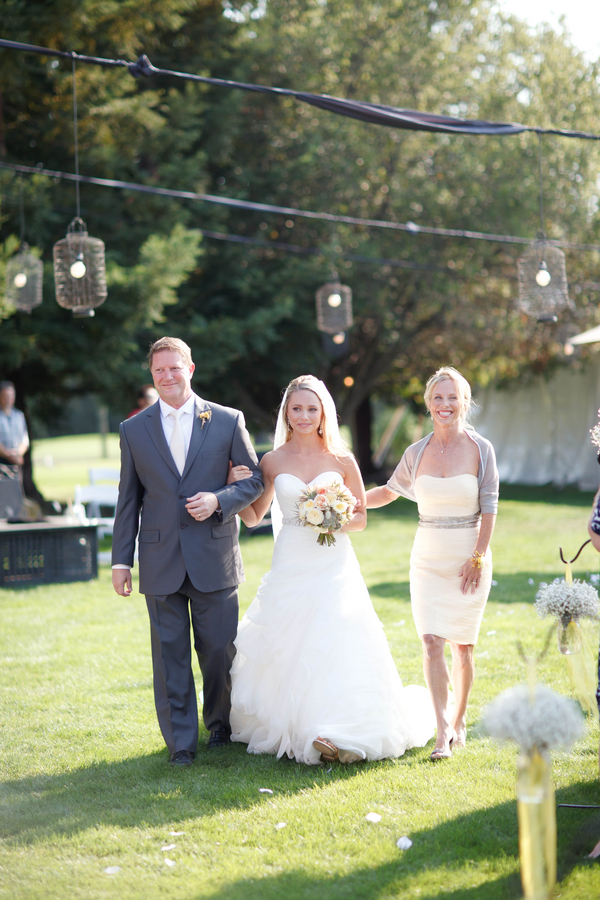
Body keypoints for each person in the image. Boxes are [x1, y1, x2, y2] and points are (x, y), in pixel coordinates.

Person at [226, 374, 435, 766]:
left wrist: (330, 517)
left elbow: (359, 520)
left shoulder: (341, 460)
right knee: (292, 640)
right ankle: (302, 725)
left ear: (323, 413)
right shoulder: (272, 461)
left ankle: (340, 730)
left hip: (333, 561)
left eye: (311, 408)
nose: (304, 415)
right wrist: (233, 485)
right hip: (290, 561)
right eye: (296, 408)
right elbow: (255, 517)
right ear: (286, 414)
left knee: (338, 637)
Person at [111, 337, 264, 766]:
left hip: (214, 555)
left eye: (174, 368)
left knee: (218, 650)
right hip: (159, 560)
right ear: (152, 375)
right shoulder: (133, 429)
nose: (167, 376)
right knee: (169, 655)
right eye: (159, 370)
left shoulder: (227, 420)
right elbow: (128, 500)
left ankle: (219, 725)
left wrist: (219, 500)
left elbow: (252, 481)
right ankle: (181, 743)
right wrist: (121, 560)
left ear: (190, 369)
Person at [365, 367, 498, 760]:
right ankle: (442, 733)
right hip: (426, 558)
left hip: (468, 558)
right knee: (430, 642)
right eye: (438, 398)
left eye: (452, 397)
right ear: (428, 404)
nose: (445, 405)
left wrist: (477, 556)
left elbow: (489, 509)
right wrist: (348, 500)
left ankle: (459, 721)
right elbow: (389, 492)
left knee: (463, 648)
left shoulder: (480, 449)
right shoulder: (416, 452)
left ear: (464, 402)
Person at [0, 381, 29, 473]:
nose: (8, 399)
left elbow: (24, 440)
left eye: (11, 396)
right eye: (6, 396)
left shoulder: (19, 415)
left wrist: (17, 454)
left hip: (17, 461)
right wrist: (9, 455)